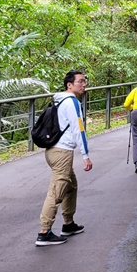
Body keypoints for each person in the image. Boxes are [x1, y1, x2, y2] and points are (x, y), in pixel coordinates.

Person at [36, 70, 92, 246]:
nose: (84, 85)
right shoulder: (72, 102)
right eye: (80, 82)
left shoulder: (59, 100)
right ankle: (44, 232)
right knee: (56, 192)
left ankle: (69, 224)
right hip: (62, 153)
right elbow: (79, 130)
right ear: (70, 85)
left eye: (84, 82)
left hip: (53, 151)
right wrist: (86, 156)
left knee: (70, 186)